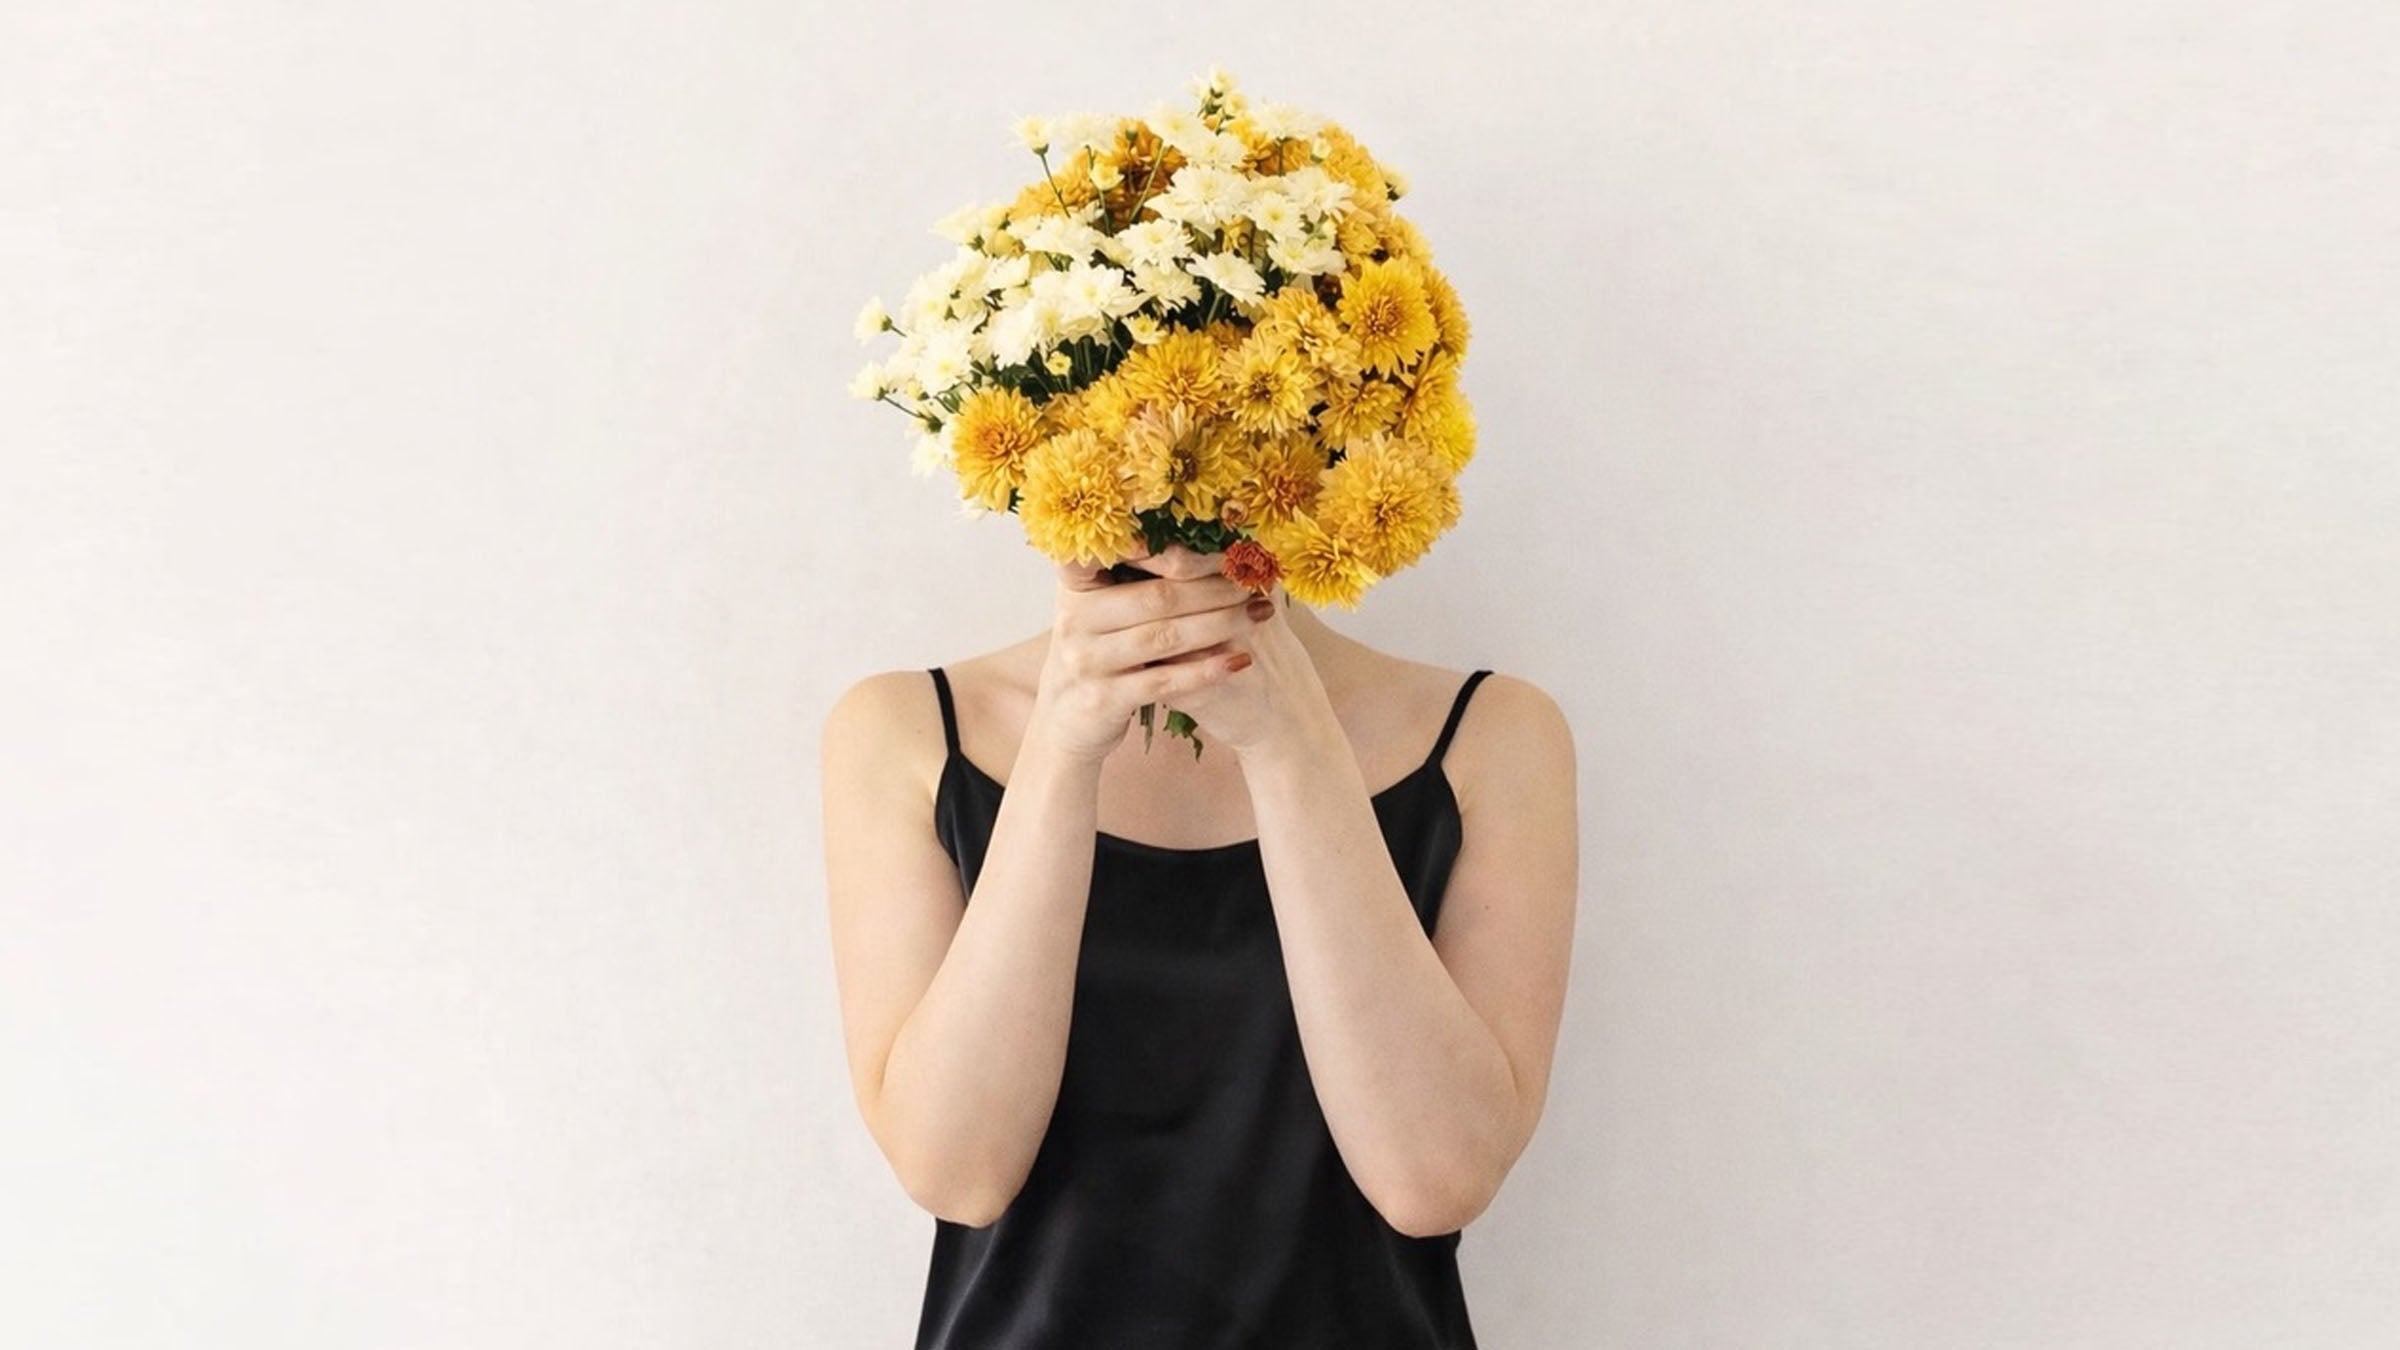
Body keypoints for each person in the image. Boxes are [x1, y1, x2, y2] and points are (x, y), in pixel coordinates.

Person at [819, 536, 1578, 1347]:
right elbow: (958, 1175)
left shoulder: (1492, 734)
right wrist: (1063, 745)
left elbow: (1435, 1183)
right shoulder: (906, 730)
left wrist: (1286, 743)